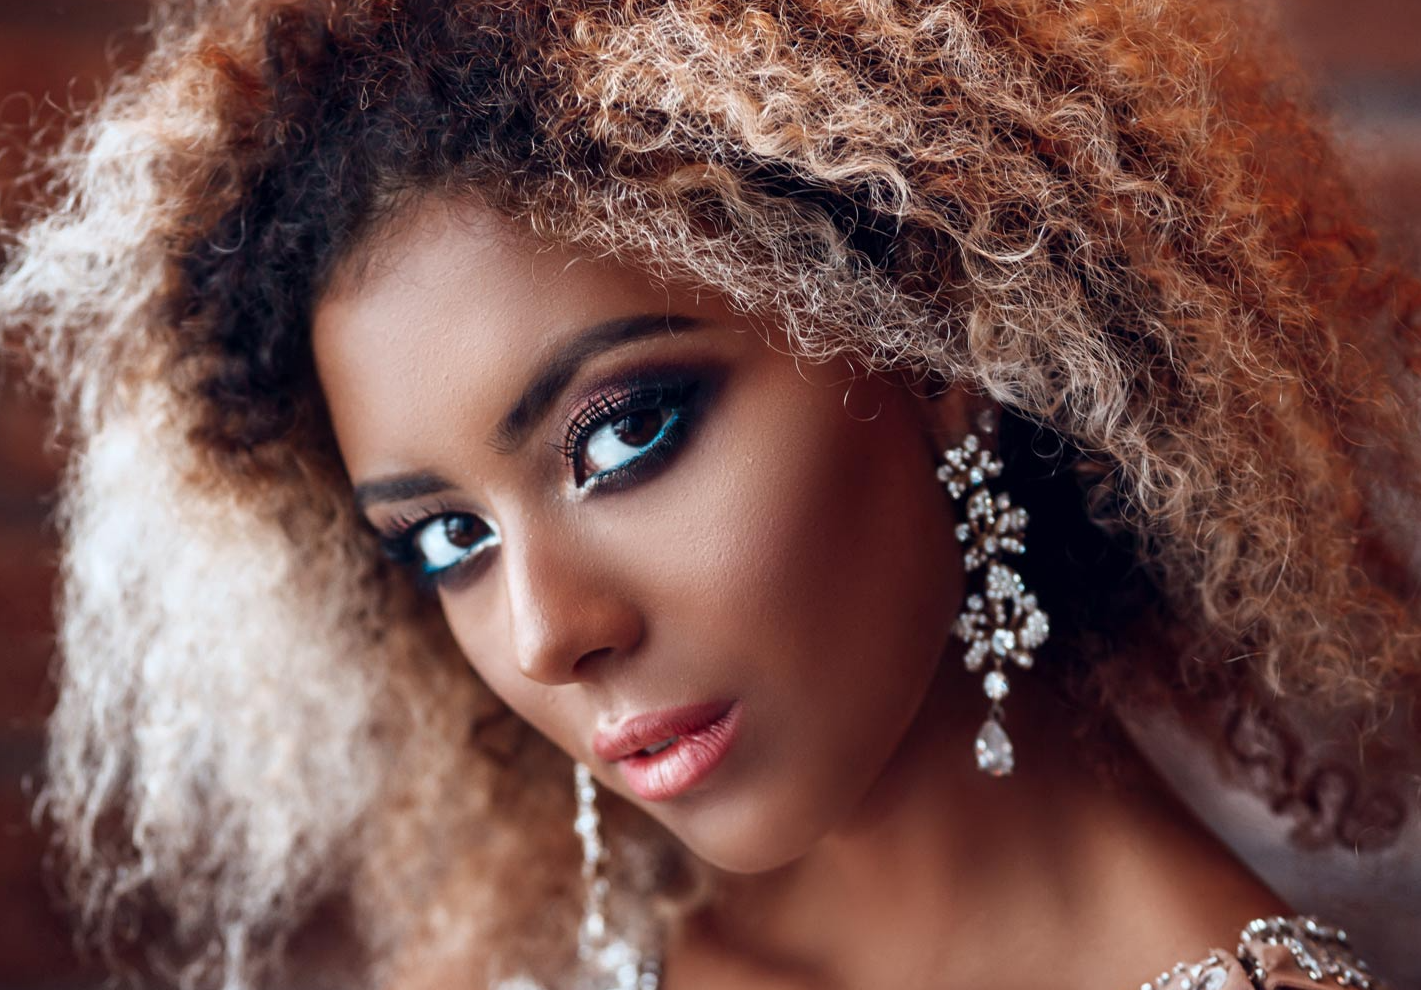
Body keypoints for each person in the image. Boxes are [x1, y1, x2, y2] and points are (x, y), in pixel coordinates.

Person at [3, 1, 1418, 988]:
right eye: (448, 539)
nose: (547, 632)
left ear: (942, 338)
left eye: (621, 435)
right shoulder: (544, 955)